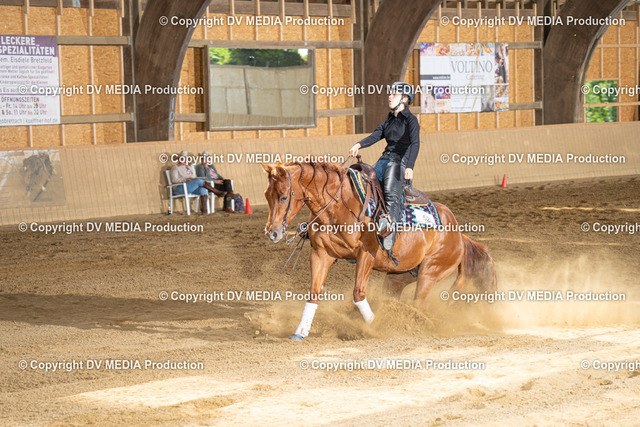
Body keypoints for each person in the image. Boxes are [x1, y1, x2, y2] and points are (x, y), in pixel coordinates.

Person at [348, 81, 420, 251]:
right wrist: (359, 144)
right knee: (360, 182)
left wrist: (409, 167)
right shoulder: (390, 119)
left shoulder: (411, 120)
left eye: (394, 94)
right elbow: (376, 135)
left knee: (390, 193)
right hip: (384, 160)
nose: (390, 96)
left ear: (405, 99)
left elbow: (415, 144)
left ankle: (390, 235)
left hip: (399, 162)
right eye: (390, 93)